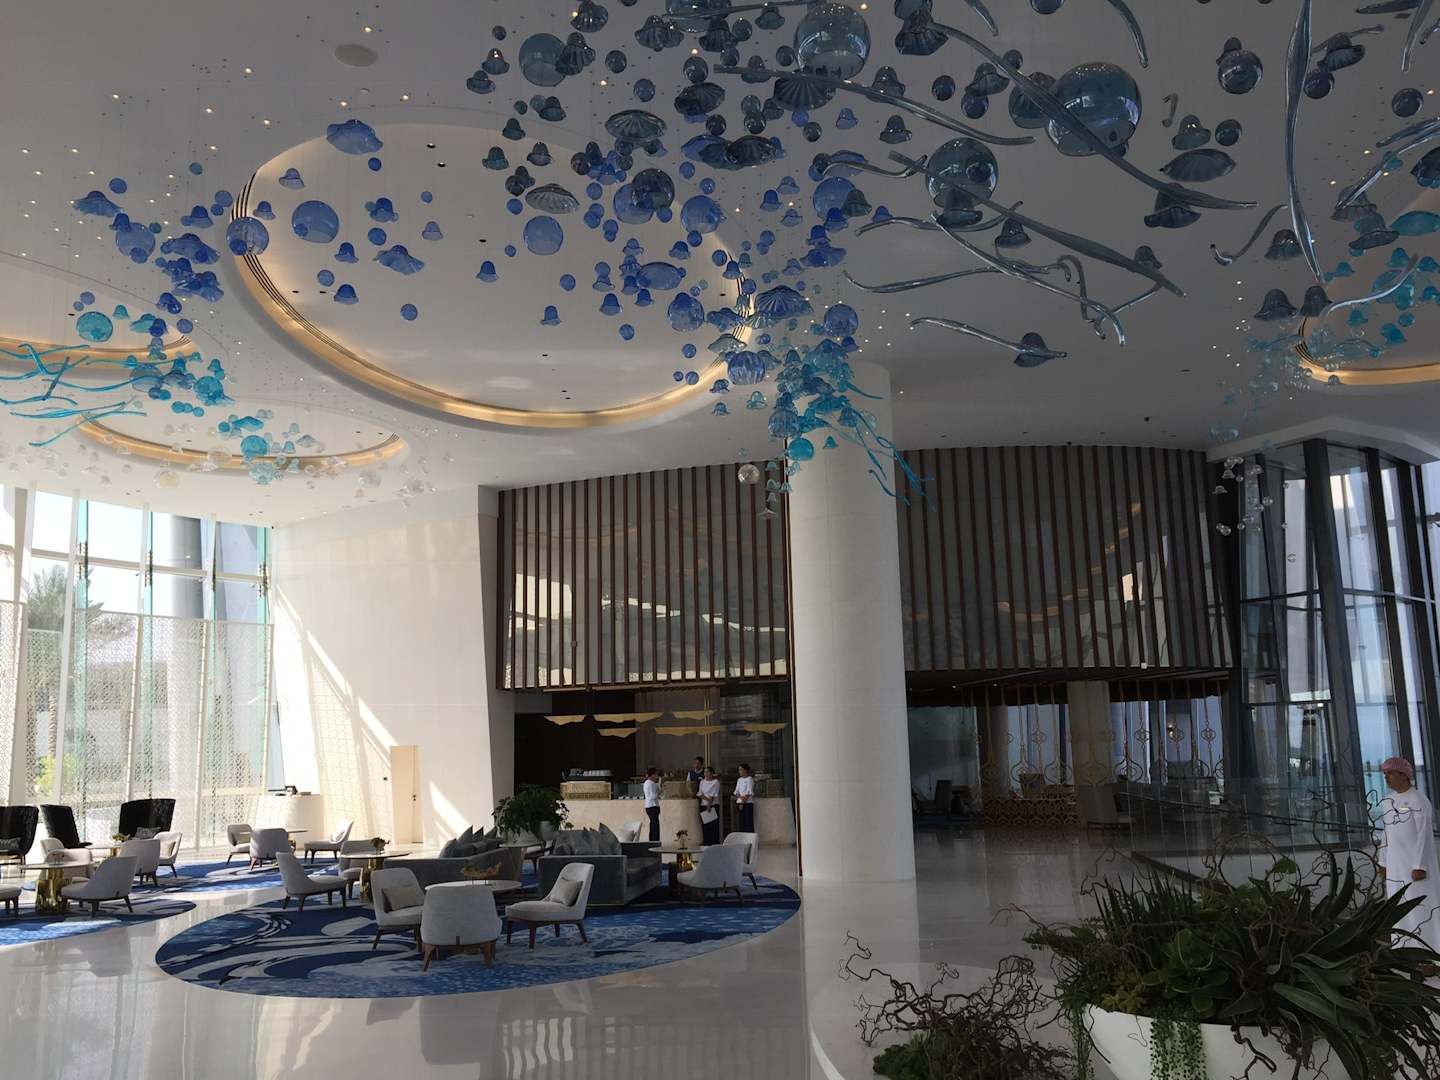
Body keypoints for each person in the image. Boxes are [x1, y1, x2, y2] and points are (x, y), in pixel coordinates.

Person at [1379, 756, 1440, 951]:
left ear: (1404, 775)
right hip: (1395, 867)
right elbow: (1386, 833)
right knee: (1398, 908)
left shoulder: (1418, 799)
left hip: (1415, 868)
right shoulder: (1387, 801)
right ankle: (1402, 950)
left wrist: (1420, 866)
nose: (1386, 777)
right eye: (1384, 774)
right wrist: (1383, 862)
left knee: (1421, 908)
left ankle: (1430, 952)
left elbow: (1424, 835)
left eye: (1390, 773)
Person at [698, 767, 722, 845]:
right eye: (705, 772)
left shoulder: (715, 782)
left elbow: (713, 795)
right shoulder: (702, 782)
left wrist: (709, 805)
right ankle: (707, 843)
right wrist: (706, 799)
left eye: (708, 772)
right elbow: (700, 793)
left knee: (713, 826)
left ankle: (714, 843)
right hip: (703, 805)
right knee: (705, 826)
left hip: (712, 806)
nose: (706, 774)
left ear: (712, 773)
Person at [734, 762, 755, 833]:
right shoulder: (739, 780)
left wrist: (742, 803)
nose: (739, 771)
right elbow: (736, 792)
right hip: (740, 802)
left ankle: (749, 838)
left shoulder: (749, 779)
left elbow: (749, 792)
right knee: (741, 823)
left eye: (741, 770)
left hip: (747, 803)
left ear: (745, 770)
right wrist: (740, 798)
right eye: (739, 770)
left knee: (748, 823)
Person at [643, 767, 661, 843]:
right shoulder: (650, 783)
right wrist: (659, 792)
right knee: (655, 826)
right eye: (656, 774)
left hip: (650, 806)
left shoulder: (648, 783)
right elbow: (653, 796)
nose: (657, 776)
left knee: (653, 825)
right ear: (652, 775)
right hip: (652, 806)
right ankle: (654, 842)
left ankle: (652, 842)